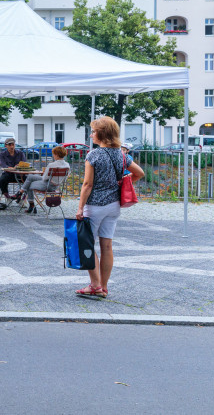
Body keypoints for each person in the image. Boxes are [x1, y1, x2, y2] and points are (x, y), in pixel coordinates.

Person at [75, 116, 145, 298]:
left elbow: (87, 185)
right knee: (107, 246)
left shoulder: (93, 155)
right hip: (114, 206)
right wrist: (122, 182)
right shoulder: (122, 155)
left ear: (101, 134)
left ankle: (94, 285)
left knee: (87, 244)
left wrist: (80, 208)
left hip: (95, 206)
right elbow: (139, 173)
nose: (91, 135)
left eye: (93, 131)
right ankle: (104, 287)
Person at [14, 145, 70, 214]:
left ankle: (30, 203)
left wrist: (42, 176)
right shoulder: (67, 165)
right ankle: (20, 193)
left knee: (28, 184)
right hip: (56, 186)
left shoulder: (52, 165)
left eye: (54, 154)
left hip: (47, 186)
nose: (53, 155)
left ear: (57, 155)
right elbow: (65, 179)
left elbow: (44, 178)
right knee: (30, 176)